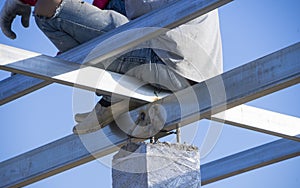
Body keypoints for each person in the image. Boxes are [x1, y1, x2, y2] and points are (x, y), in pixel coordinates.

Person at [0, 0, 223, 134]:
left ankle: (115, 96)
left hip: (166, 60)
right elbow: (101, 15)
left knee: (49, 11)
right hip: (196, 73)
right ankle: (120, 97)